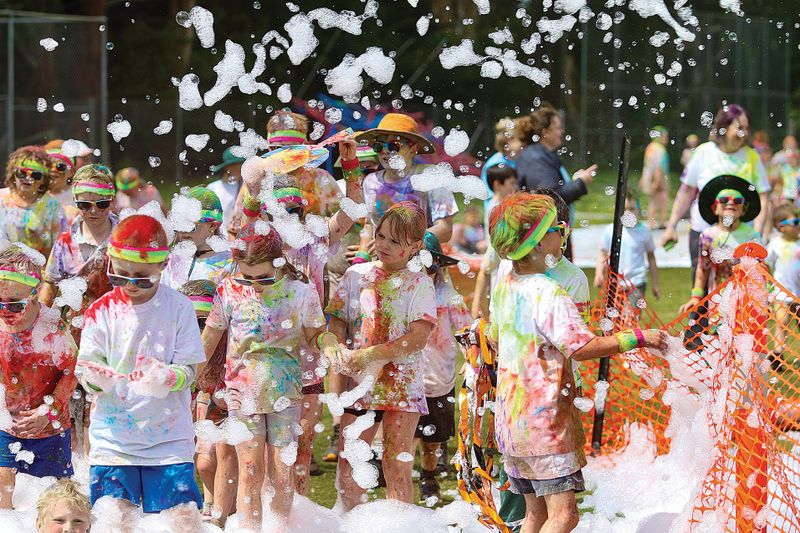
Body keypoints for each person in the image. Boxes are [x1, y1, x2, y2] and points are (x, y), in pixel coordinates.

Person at [487, 192, 665, 533]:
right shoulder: (549, 293)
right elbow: (582, 348)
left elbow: (495, 337)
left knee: (535, 516)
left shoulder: (507, 282)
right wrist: (639, 337)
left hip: (511, 421)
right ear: (537, 243)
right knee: (563, 516)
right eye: (555, 227)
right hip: (545, 426)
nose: (562, 233)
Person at [76, 214, 204, 532]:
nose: (131, 285)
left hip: (169, 439)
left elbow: (191, 370)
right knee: (114, 522)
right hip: (113, 440)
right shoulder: (100, 310)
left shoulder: (179, 308)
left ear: (161, 268)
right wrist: (96, 378)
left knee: (183, 522)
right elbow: (85, 366)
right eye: (120, 277)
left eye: (142, 278)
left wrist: (169, 377)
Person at [201, 222, 326, 531]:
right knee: (250, 470)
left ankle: (281, 526)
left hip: (285, 392)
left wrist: (332, 345)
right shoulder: (229, 288)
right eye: (248, 276)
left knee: (284, 475)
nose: (255, 285)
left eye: (264, 277)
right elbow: (210, 336)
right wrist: (188, 372)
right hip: (241, 391)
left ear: (279, 262)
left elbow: (316, 335)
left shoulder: (300, 290)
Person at [324, 201, 437, 511]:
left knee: (395, 464)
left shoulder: (420, 284)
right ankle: (347, 523)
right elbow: (335, 320)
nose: (384, 245)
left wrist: (371, 354)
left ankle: (401, 526)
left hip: (402, 384)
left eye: (395, 242)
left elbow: (417, 338)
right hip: (361, 384)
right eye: (382, 236)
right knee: (350, 463)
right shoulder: (355, 276)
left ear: (415, 247)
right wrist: (335, 347)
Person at [40, 164, 119, 458]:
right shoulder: (66, 242)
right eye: (84, 205)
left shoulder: (124, 236)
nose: (93, 211)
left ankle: (106, 464)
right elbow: (49, 285)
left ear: (112, 200)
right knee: (73, 405)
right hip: (74, 332)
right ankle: (78, 471)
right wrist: (41, 327)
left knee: (105, 404)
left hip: (116, 332)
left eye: (101, 203)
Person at [0, 244, 78, 509]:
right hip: (6, 426)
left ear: (34, 294)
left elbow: (72, 372)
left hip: (51, 428)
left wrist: (50, 411)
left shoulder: (51, 327)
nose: (5, 311)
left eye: (14, 304)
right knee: (3, 497)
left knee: (56, 503)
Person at [661, 104, 770, 280]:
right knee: (702, 290)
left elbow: (763, 198)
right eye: (740, 128)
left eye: (747, 128)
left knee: (741, 294)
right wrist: (671, 226)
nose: (744, 133)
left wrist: (756, 234)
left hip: (741, 236)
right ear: (724, 127)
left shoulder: (751, 156)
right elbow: (686, 191)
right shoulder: (704, 152)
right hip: (704, 234)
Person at [416, 233, 471, 503]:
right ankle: (394, 473)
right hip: (408, 381)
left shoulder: (449, 298)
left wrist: (471, 359)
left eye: (429, 264)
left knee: (432, 441)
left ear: (438, 265)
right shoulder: (402, 292)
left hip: (439, 380)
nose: (424, 270)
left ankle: (429, 476)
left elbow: (466, 333)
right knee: (403, 437)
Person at [355, 112, 458, 246]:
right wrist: (362, 253)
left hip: (419, 260)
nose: (385, 151)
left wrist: (402, 245)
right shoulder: (370, 182)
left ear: (413, 148)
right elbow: (370, 225)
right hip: (381, 258)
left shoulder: (431, 177)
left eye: (394, 146)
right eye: (379, 145)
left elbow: (445, 229)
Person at [182, 279, 236, 527]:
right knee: (204, 463)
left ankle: (225, 513)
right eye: (191, 320)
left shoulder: (228, 343)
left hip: (231, 399)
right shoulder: (182, 342)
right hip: (206, 396)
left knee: (224, 454)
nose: (198, 329)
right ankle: (211, 502)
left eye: (204, 321)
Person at [679, 175, 762, 313]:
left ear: (744, 209)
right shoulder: (708, 236)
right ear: (715, 208)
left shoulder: (752, 235)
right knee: (718, 334)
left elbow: (760, 271)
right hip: (718, 302)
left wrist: (764, 298)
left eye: (738, 200)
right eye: (723, 200)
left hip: (748, 303)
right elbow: (702, 268)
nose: (731, 203)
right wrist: (696, 296)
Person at [514, 105, 595, 209]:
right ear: (545, 132)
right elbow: (551, 197)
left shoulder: (539, 155)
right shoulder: (537, 159)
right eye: (558, 128)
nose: (562, 131)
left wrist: (575, 181)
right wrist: (580, 183)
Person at [594, 189, 661, 303]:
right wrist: (598, 273)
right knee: (615, 318)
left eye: (632, 209)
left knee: (631, 319)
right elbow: (603, 254)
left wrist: (655, 283)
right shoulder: (611, 230)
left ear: (638, 211)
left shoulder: (644, 231)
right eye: (624, 209)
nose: (628, 213)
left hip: (637, 282)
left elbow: (651, 257)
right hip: (614, 283)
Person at [161, 186, 233, 289]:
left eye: (191, 226)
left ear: (212, 225)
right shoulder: (173, 261)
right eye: (179, 224)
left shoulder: (228, 263)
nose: (183, 231)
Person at [0, 146, 66, 257]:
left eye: (36, 175)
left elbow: (61, 248)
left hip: (39, 272)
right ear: (13, 173)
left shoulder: (52, 207)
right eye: (22, 173)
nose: (27, 178)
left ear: (44, 179)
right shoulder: (1, 199)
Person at [480, 116, 524, 203]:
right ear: (509, 140)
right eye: (521, 139)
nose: (524, 143)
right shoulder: (494, 165)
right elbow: (492, 197)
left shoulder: (520, 161)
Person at [208, 147, 245, 236]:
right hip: (222, 238)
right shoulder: (214, 188)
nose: (242, 166)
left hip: (242, 237)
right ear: (228, 167)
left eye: (243, 163)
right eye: (237, 164)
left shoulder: (248, 187)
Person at [639, 126, 670, 229]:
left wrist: (643, 179)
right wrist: (657, 181)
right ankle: (661, 222)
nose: (666, 139)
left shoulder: (650, 147)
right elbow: (658, 166)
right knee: (662, 199)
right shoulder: (659, 148)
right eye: (665, 136)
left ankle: (651, 223)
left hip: (650, 177)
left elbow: (647, 165)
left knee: (653, 201)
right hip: (658, 178)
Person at [43, 141, 79, 225]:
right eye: (48, 165)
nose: (52, 170)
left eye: (60, 167)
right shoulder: (34, 195)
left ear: (71, 172)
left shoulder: (80, 196)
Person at [766, 204, 800, 289]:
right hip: (781, 298)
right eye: (795, 222)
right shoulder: (774, 245)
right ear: (781, 226)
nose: (799, 224)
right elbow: (766, 265)